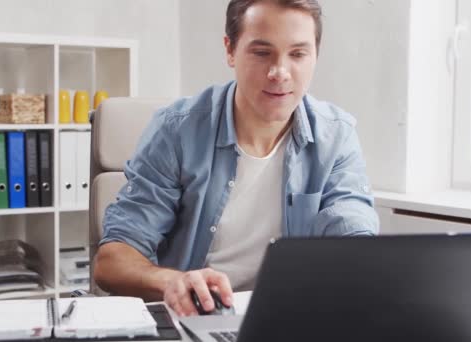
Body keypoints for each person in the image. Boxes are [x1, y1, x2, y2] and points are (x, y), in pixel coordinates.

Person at [94, 0, 379, 317]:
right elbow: (111, 262)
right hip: (196, 318)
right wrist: (172, 281)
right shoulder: (176, 131)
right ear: (230, 50)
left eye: (298, 54)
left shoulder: (336, 137)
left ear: (316, 55)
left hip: (290, 319)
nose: (279, 73)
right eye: (261, 52)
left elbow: (355, 236)